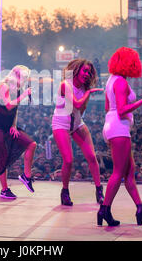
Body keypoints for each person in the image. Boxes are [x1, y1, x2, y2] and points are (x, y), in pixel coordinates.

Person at [98, 47, 142, 226]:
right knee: (118, 172)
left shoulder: (111, 80)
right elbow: (123, 109)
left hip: (110, 125)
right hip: (119, 128)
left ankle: (141, 210)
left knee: (129, 172)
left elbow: (108, 107)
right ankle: (104, 209)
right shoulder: (121, 83)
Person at [52, 59, 104, 206]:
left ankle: (99, 190)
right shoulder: (65, 84)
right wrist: (88, 93)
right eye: (85, 71)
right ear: (76, 70)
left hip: (76, 123)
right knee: (68, 160)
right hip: (60, 124)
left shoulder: (83, 88)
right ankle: (65, 192)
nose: (87, 74)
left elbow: (80, 110)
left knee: (92, 157)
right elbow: (77, 103)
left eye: (89, 72)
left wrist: (86, 92)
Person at [0, 65, 37, 199]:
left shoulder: (19, 90)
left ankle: (26, 177)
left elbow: (15, 110)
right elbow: (9, 105)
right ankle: (4, 189)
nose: (25, 80)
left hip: (8, 126)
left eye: (26, 78)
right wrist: (25, 95)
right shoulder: (4, 86)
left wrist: (14, 125)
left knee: (31, 144)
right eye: (23, 77)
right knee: (3, 155)